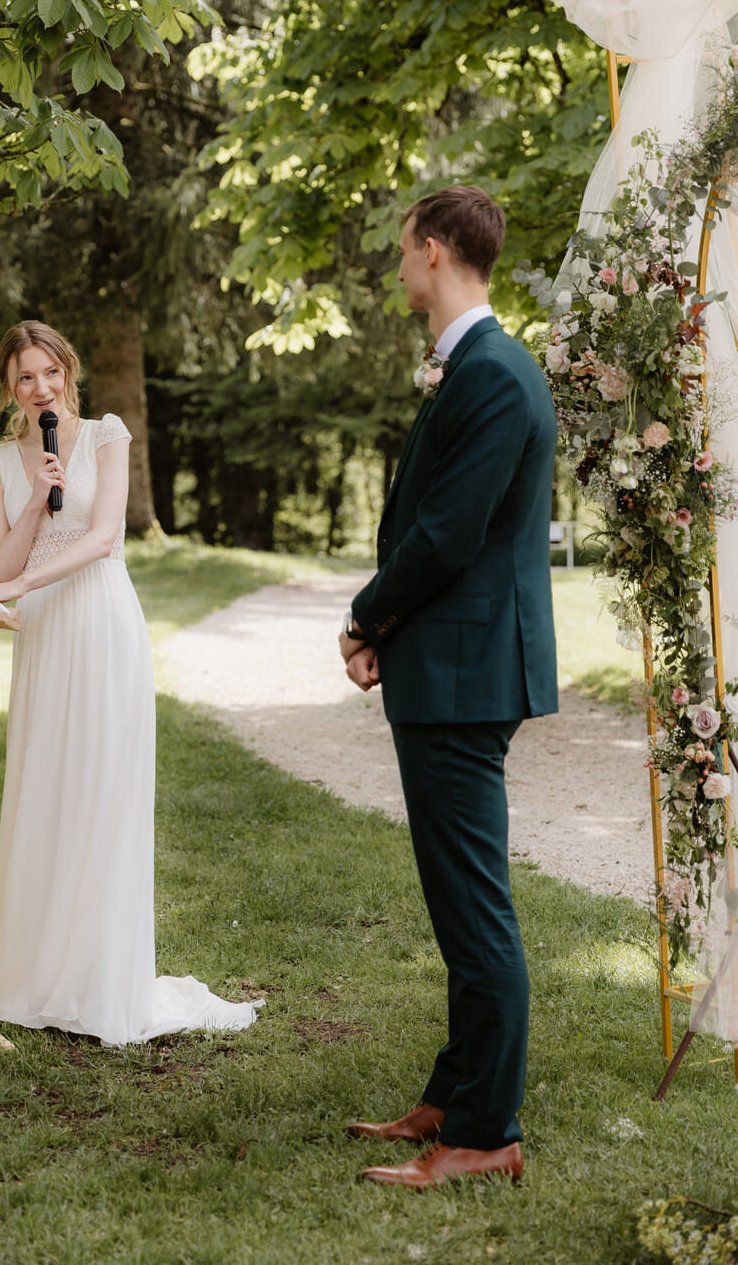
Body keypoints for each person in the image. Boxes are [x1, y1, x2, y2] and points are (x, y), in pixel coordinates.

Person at [339, 187, 557, 1190]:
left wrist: (369, 613)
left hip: (468, 671)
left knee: (475, 908)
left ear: (433, 251)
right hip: (450, 660)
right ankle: (455, 1094)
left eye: (402, 250)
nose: (398, 266)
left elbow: (448, 534)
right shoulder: (467, 364)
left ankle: (486, 1132)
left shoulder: (496, 374)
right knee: (455, 897)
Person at [0, 320, 261, 1046]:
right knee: (46, 788)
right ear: (9, 386)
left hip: (98, 619)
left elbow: (103, 539)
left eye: (50, 372)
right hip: (43, 632)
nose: (40, 387)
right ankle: (37, 975)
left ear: (69, 370)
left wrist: (31, 578)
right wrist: (36, 497)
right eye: (24, 377)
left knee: (101, 790)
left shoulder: (106, 435)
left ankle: (101, 978)